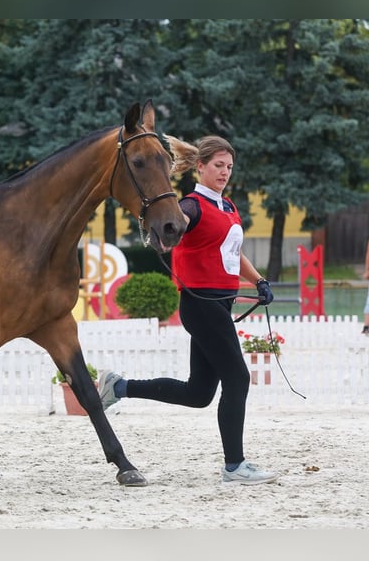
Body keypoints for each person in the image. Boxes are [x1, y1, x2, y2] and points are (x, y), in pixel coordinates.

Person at [98, 134, 278, 485]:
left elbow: (232, 251)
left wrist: (259, 281)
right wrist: (162, 237)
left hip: (219, 304)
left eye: (229, 167)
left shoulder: (227, 207)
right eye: (218, 166)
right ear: (200, 167)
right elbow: (171, 229)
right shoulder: (193, 207)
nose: (224, 172)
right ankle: (235, 466)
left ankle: (118, 387)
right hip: (201, 303)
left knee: (198, 393)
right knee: (238, 378)